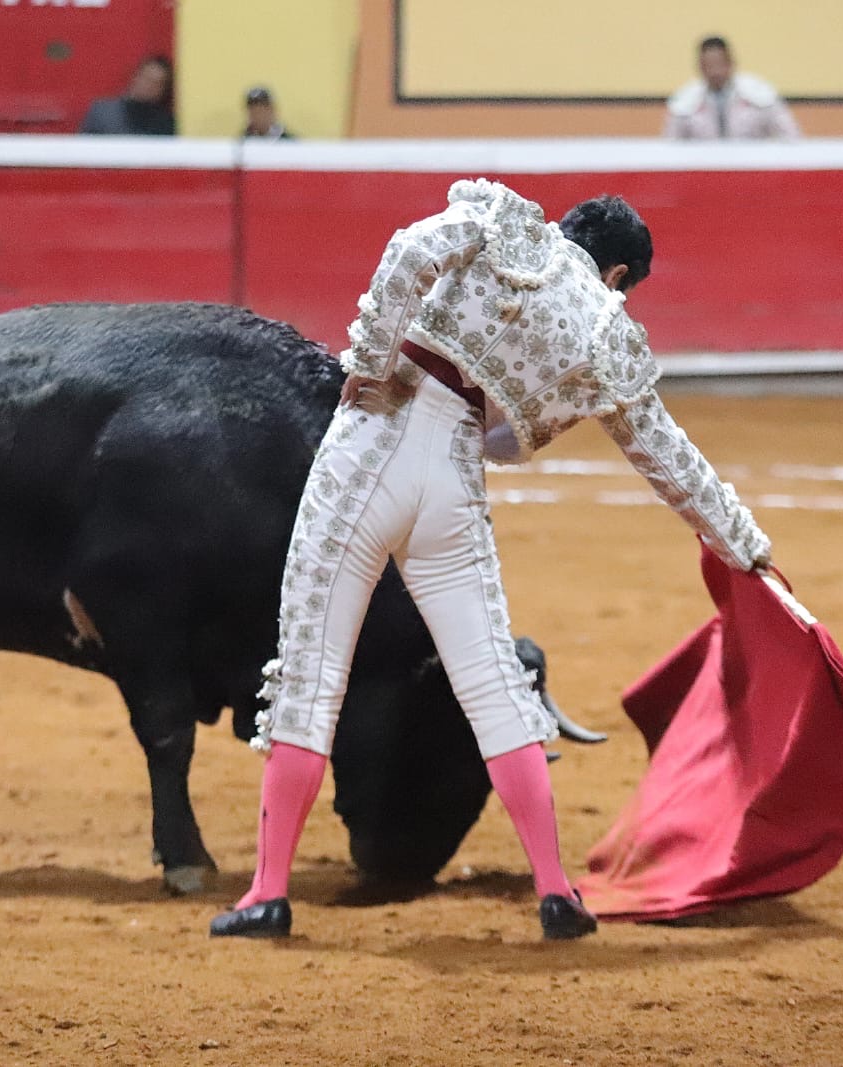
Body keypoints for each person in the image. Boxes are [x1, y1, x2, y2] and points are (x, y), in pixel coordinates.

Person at [208, 179, 773, 942]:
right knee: (495, 684)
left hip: (372, 438)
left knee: (312, 675)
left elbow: (409, 252)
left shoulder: (503, 221)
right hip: (452, 477)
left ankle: (268, 893)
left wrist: (372, 361)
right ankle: (556, 891)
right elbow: (669, 462)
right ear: (617, 277)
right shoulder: (605, 330)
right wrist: (746, 547)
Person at [664, 36, 798, 140]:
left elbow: (790, 136)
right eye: (708, 66)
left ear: (731, 63)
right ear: (699, 67)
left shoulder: (760, 95)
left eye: (719, 64)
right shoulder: (684, 101)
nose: (715, 72)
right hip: (703, 169)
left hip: (752, 168)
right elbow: (670, 147)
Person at [78, 55, 175, 136]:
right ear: (135, 77)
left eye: (157, 83)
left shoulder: (165, 122)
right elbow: (83, 151)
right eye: (146, 78)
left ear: (163, 91)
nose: (149, 86)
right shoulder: (102, 112)